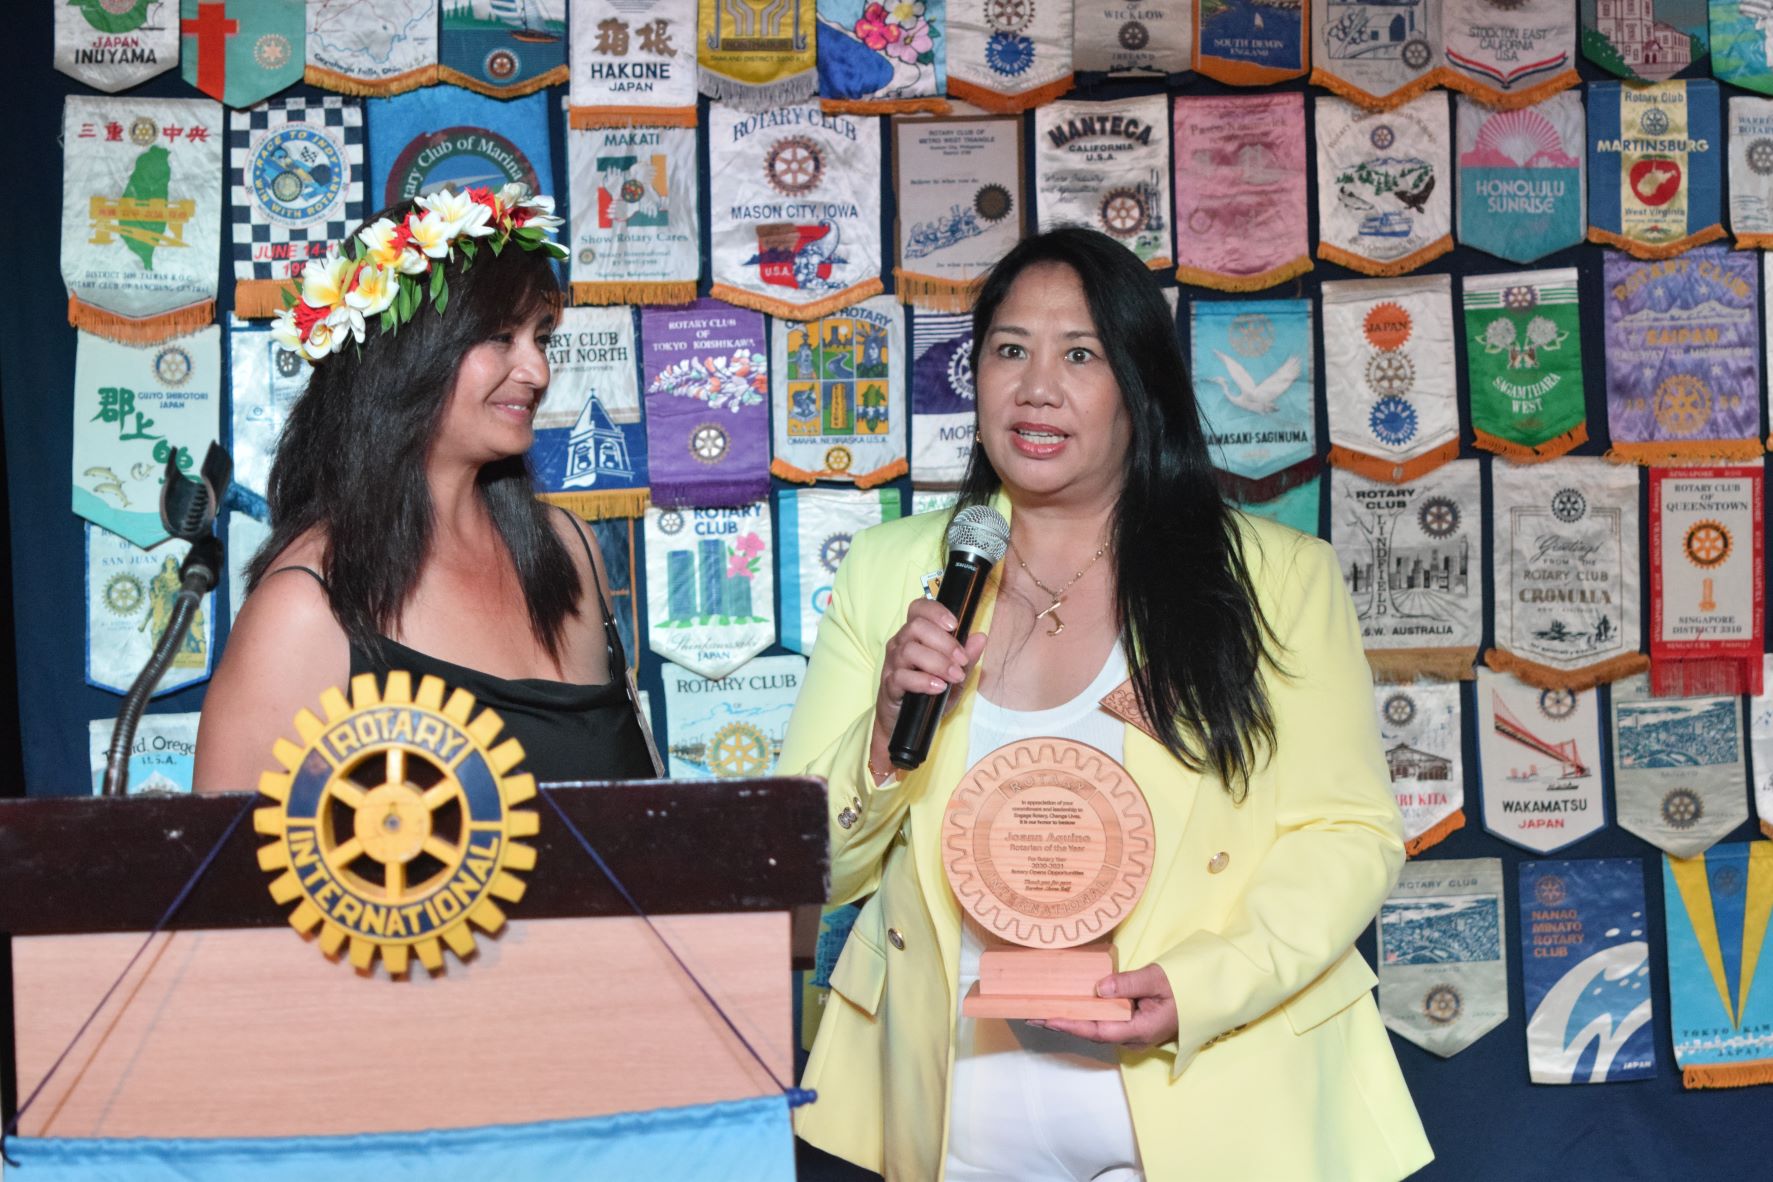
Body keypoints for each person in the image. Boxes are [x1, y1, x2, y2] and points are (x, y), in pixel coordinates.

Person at [779, 226, 1432, 1181]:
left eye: (1079, 355)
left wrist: (1201, 986)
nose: (1036, 388)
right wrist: (881, 740)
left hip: (1216, 1102)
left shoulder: (1274, 578)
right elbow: (804, 867)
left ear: (1139, 386)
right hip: (954, 1124)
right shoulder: (892, 571)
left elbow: (1348, 832)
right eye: (1009, 349)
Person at [194, 186, 657, 792]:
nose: (538, 371)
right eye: (500, 336)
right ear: (406, 353)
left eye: (541, 338)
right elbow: (229, 852)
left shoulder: (570, 550)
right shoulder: (303, 610)